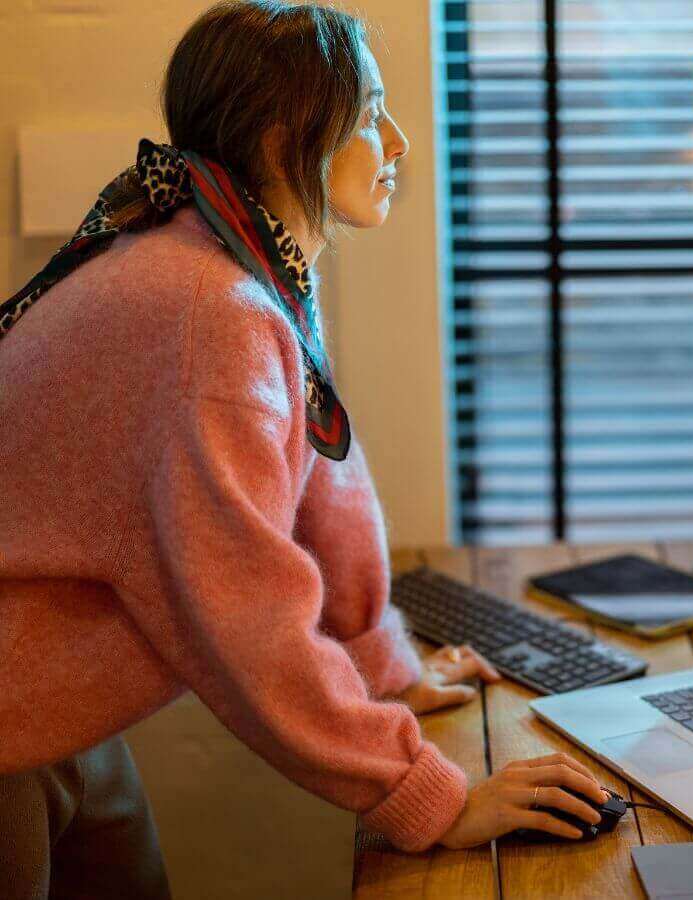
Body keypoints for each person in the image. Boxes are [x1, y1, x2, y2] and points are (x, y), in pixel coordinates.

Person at [0, 4, 609, 896]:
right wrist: (427, 795)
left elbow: (323, 477)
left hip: (44, 712)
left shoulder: (235, 266)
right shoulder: (209, 310)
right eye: (369, 113)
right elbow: (245, 613)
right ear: (287, 137)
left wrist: (381, 667)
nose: (397, 142)